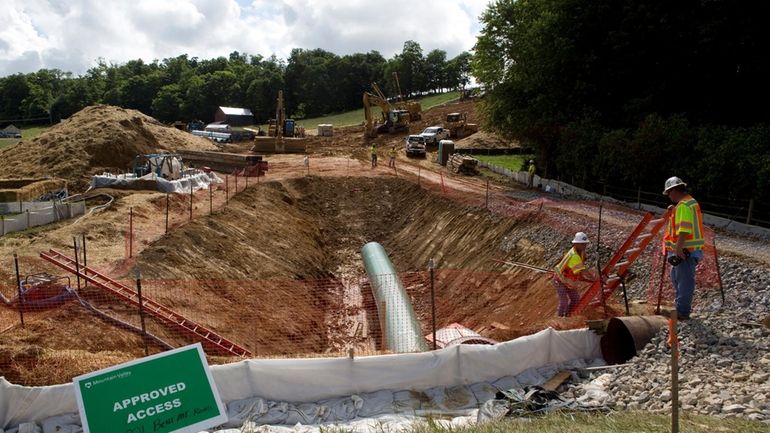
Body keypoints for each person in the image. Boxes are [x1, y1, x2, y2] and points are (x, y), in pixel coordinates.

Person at [662, 176, 704, 320]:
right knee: (678, 279)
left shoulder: (684, 206)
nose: (668, 196)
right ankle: (680, 308)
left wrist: (678, 249)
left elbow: (684, 229)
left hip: (686, 251)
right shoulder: (687, 203)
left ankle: (682, 312)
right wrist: (674, 209)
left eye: (669, 193)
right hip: (689, 250)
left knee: (684, 281)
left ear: (674, 190)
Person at [552, 232, 601, 317]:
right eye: (582, 244)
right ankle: (559, 318)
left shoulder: (580, 253)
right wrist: (594, 279)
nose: (584, 246)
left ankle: (568, 315)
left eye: (585, 244)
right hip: (560, 280)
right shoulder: (574, 256)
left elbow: (582, 268)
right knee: (564, 302)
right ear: (575, 243)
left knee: (576, 299)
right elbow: (583, 271)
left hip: (568, 281)